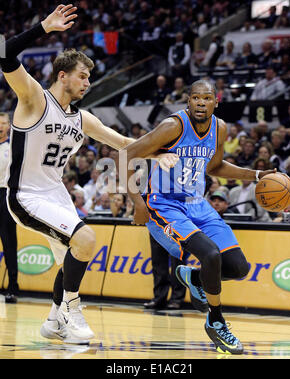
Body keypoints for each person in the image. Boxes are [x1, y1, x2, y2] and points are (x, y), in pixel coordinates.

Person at [0, 5, 177, 345]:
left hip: (56, 195)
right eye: (83, 76)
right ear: (63, 75)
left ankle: (53, 321)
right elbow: (5, 54)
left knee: (74, 256)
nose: (88, 83)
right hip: (25, 195)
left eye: (89, 78)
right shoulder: (34, 98)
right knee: (87, 240)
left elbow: (125, 142)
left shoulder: (84, 119)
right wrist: (43, 28)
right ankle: (72, 309)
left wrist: (159, 152)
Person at [121, 79, 275, 355]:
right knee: (211, 256)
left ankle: (193, 278)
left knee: (239, 268)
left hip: (198, 204)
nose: (201, 103)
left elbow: (215, 167)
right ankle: (216, 322)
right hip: (165, 204)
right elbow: (127, 154)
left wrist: (256, 174)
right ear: (188, 101)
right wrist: (137, 202)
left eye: (206, 98)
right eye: (195, 98)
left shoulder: (221, 128)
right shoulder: (173, 126)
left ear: (216, 101)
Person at [0, 112, 19, 303]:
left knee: (9, 244)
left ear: (9, 125)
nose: (0, 126)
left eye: (3, 123)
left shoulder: (12, 146)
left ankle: (13, 287)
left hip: (5, 195)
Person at [144, 234, 187, 310]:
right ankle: (159, 298)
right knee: (158, 262)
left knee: (177, 262)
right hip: (156, 225)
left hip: (176, 225)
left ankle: (176, 299)